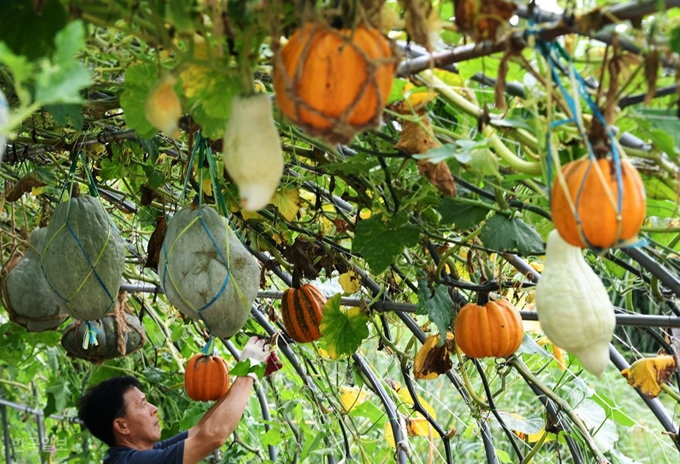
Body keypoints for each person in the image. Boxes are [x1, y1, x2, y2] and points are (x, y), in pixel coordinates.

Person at [77, 337, 281, 464]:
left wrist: (251, 373)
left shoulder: (142, 453)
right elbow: (213, 436)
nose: (154, 409)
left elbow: (200, 430)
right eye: (142, 404)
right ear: (121, 426)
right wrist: (249, 369)